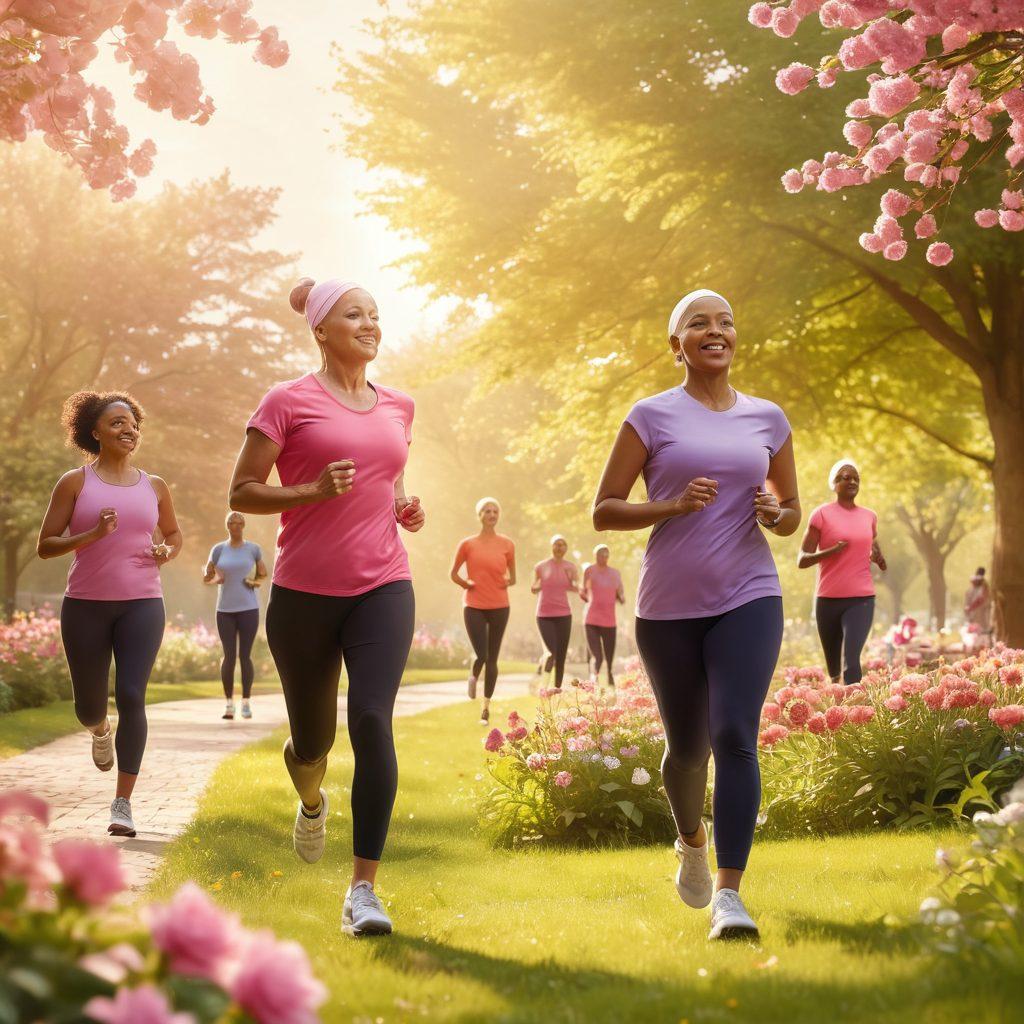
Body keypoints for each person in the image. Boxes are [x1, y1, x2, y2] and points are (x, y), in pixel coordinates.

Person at [593, 289, 800, 941]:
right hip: (669, 606)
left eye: (727, 321)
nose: (717, 331)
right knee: (687, 749)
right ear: (675, 344)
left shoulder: (768, 419)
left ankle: (731, 897)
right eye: (699, 323)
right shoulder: (650, 416)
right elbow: (604, 509)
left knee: (735, 733)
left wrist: (778, 515)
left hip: (751, 592)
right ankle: (691, 842)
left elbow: (791, 510)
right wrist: (673, 506)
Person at [229, 277, 424, 938]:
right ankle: (312, 801)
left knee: (372, 720)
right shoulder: (287, 401)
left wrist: (404, 504)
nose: (370, 323)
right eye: (353, 314)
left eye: (374, 313)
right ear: (321, 329)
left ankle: (362, 891)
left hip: (383, 586)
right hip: (304, 597)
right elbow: (245, 491)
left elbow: (390, 477)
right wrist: (310, 491)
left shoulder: (399, 404)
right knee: (312, 743)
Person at [37, 391, 182, 838]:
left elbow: (174, 534)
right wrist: (94, 533)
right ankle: (99, 728)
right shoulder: (75, 482)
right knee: (88, 707)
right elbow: (46, 545)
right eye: (117, 423)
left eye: (133, 422)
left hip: (142, 603)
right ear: (94, 432)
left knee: (133, 694)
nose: (128, 429)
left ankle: (123, 803)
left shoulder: (153, 485)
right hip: (85, 605)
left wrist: (165, 551)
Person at [798, 459, 886, 686]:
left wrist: (878, 559)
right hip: (827, 599)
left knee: (852, 660)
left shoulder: (869, 516)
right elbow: (802, 560)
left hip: (862, 598)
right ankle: (838, 708)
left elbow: (875, 553)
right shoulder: (821, 515)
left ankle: (856, 713)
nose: (852, 481)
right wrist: (831, 551)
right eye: (846, 477)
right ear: (834, 483)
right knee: (834, 669)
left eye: (856, 477)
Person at [450, 497, 516, 725]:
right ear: (479, 515)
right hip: (474, 605)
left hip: (500, 605)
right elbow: (454, 573)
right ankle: (473, 674)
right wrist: (466, 584)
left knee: (493, 658)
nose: (491, 514)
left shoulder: (507, 544)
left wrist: (506, 580)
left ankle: (485, 708)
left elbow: (513, 577)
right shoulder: (468, 544)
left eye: (495, 511)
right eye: (487, 511)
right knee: (482, 654)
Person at [203, 512, 268, 720]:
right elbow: (209, 576)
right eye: (232, 522)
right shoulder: (218, 549)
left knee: (245, 656)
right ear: (227, 525)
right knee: (229, 656)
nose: (236, 526)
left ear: (244, 525)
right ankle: (229, 704)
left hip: (249, 608)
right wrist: (212, 577)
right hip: (225, 610)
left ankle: (246, 703)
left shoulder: (253, 549)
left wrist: (254, 583)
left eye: (239, 523)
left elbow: (263, 574)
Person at [531, 535, 579, 690]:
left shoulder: (570, 567)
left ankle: (557, 689)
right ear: (551, 547)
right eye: (557, 544)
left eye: (563, 545)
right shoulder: (541, 566)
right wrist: (538, 586)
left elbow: (577, 588)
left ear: (566, 548)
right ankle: (544, 687)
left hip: (564, 614)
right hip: (544, 614)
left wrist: (572, 581)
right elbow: (533, 587)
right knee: (552, 653)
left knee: (561, 656)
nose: (560, 547)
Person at [580, 544, 625, 687]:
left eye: (606, 554)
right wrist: (587, 598)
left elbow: (620, 594)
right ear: (595, 555)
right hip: (592, 619)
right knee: (598, 656)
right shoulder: (589, 571)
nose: (604, 557)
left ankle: (610, 682)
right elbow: (583, 591)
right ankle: (594, 681)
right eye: (601, 554)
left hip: (610, 621)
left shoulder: (615, 573)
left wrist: (621, 598)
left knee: (609, 657)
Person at [964, 568, 993, 647]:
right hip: (978, 616)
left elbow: (982, 600)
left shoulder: (981, 588)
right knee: (978, 634)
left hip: (980, 615)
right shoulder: (977, 589)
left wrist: (969, 610)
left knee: (981, 633)